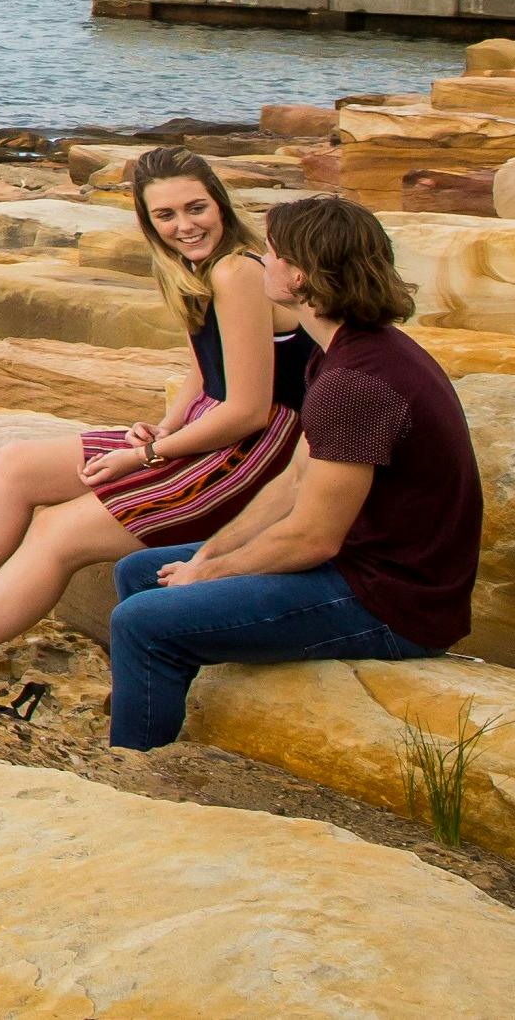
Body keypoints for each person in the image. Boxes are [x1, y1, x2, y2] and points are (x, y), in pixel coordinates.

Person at [0, 147, 308, 708]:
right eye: (167, 215)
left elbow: (248, 409)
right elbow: (205, 371)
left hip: (252, 453)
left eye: (196, 207)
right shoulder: (194, 268)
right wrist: (160, 430)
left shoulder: (237, 271)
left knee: (58, 533)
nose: (185, 225)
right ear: (147, 221)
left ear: (221, 205)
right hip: (208, 432)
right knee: (17, 464)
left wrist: (146, 458)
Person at [102, 194, 483, 750]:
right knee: (143, 573)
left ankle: (135, 769)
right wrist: (206, 557)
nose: (261, 260)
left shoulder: (356, 384)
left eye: (272, 252)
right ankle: (169, 718)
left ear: (300, 276)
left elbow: (313, 537)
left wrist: (206, 577)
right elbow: (293, 480)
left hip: (393, 602)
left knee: (141, 622)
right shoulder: (343, 351)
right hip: (363, 566)